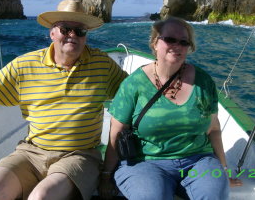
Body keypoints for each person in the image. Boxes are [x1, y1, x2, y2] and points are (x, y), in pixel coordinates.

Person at [0, 0, 127, 200]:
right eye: (65, 29)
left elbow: (133, 94)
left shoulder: (102, 65)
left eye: (80, 31)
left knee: (42, 196)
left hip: (80, 155)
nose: (73, 35)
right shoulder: (25, 65)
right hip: (31, 152)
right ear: (52, 33)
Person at [99, 17, 241, 200]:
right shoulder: (134, 84)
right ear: (155, 43)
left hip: (198, 160)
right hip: (145, 162)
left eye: (184, 42)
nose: (177, 45)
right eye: (170, 39)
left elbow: (213, 129)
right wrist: (105, 175)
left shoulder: (203, 81)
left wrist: (223, 171)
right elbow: (116, 132)